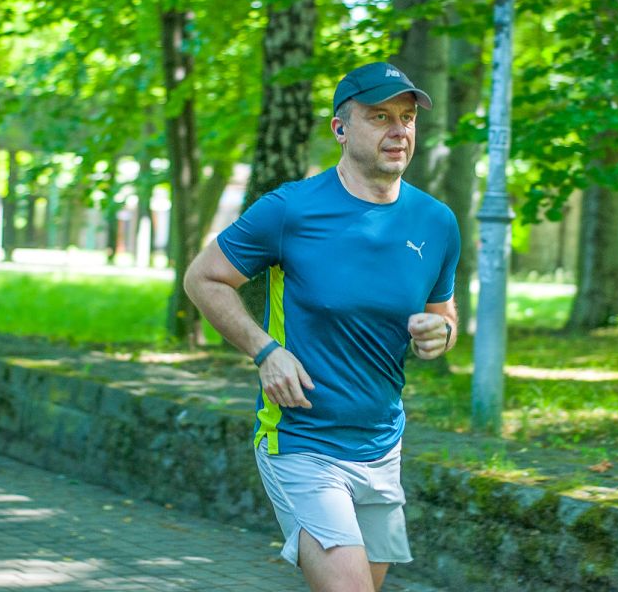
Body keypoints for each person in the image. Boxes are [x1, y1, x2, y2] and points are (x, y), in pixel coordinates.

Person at [183, 62, 461, 592]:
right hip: (302, 441)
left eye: (406, 117)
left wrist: (440, 334)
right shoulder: (291, 210)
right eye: (379, 116)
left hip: (383, 448)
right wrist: (265, 351)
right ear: (340, 127)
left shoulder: (436, 222)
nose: (398, 130)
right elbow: (204, 279)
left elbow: (444, 316)